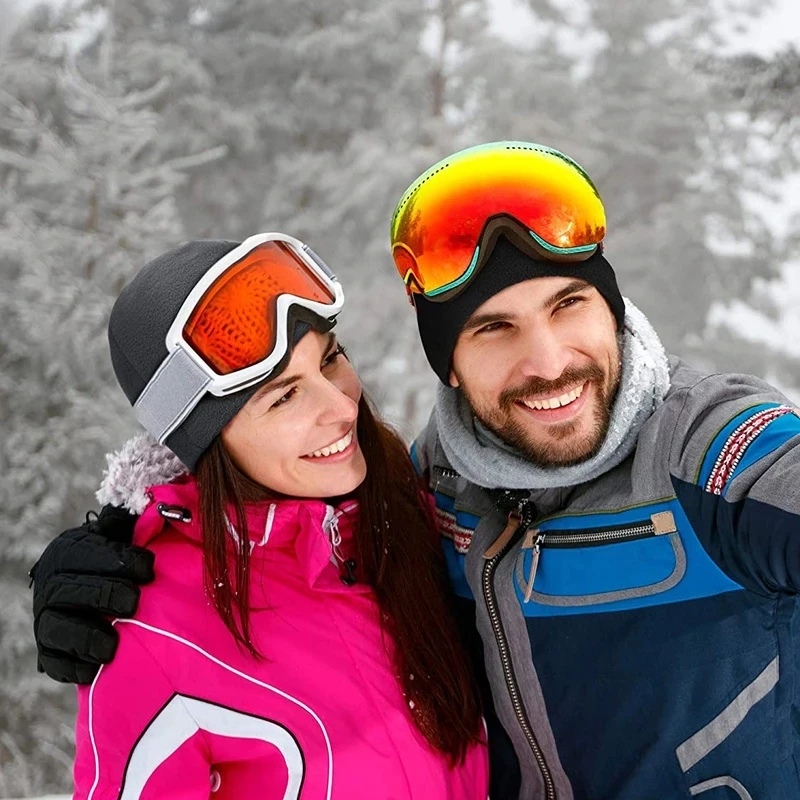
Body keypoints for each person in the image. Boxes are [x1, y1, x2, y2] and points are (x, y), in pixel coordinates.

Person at [31, 142, 800, 799]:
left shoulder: (707, 451)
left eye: (568, 305)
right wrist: (118, 563)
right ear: (450, 366)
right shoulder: (433, 495)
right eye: (494, 328)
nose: (547, 361)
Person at [34, 231, 488, 799]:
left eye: (331, 359)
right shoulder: (151, 637)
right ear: (207, 440)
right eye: (284, 396)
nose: (341, 406)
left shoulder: (415, 516)